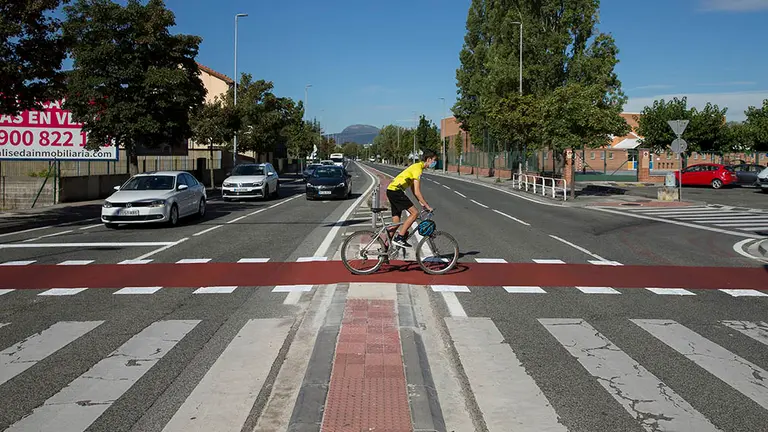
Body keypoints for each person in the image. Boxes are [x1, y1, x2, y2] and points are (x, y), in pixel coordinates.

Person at [386, 149, 438, 248]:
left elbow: (414, 191)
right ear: (428, 159)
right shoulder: (418, 169)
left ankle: (384, 248)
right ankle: (400, 238)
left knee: (396, 223)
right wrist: (427, 206)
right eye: (434, 160)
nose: (435, 163)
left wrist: (422, 203)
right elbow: (418, 191)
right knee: (415, 213)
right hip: (396, 191)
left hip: (391, 190)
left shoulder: (417, 167)